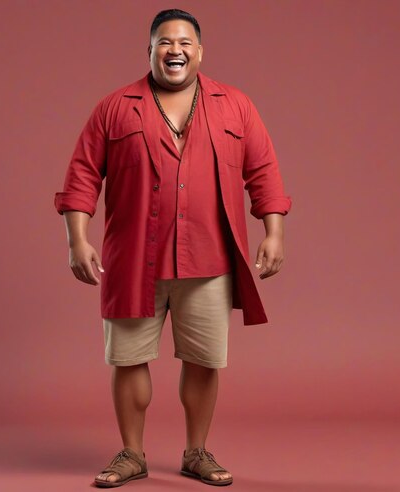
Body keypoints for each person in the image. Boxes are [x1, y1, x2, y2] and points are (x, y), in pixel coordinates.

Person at [54, 8, 292, 488]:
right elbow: (81, 176)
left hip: (210, 259)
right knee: (127, 358)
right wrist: (77, 240)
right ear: (150, 51)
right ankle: (131, 454)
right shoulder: (115, 107)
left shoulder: (236, 106)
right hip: (132, 259)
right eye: (164, 42)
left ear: (200, 52)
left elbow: (263, 171)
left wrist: (274, 232)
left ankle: (196, 452)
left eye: (184, 42)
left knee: (204, 359)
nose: (175, 50)